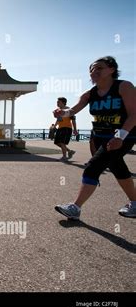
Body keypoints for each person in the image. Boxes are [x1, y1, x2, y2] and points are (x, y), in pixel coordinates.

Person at [55, 56, 136, 219]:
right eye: (92, 69)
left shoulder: (124, 86)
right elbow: (72, 111)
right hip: (100, 136)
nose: (94, 71)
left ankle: (75, 208)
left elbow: (134, 114)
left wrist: (120, 136)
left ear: (112, 70)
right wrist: (61, 113)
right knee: (117, 167)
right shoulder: (90, 94)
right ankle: (135, 203)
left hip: (123, 135)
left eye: (99, 68)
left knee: (93, 167)